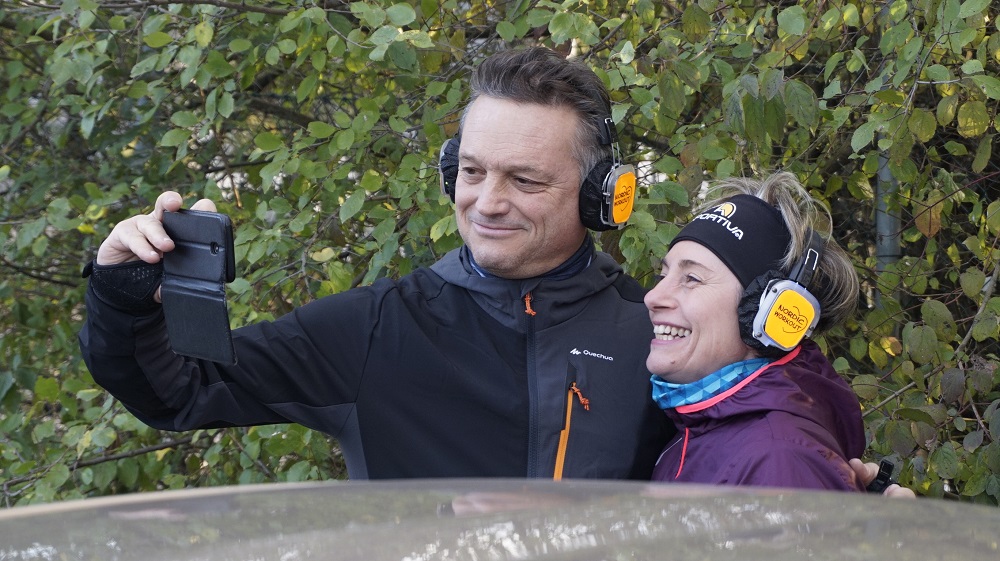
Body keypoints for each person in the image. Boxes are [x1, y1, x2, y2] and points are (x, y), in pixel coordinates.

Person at [79, 46, 906, 492]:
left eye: (525, 180)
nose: (487, 201)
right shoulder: (374, 328)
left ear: (598, 194)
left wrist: (846, 504)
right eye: (472, 171)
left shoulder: (652, 334)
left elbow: (757, 433)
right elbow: (178, 388)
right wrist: (125, 291)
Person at [644, 172, 867, 490]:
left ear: (765, 313)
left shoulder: (779, 459)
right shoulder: (697, 432)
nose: (652, 297)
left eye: (692, 278)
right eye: (662, 275)